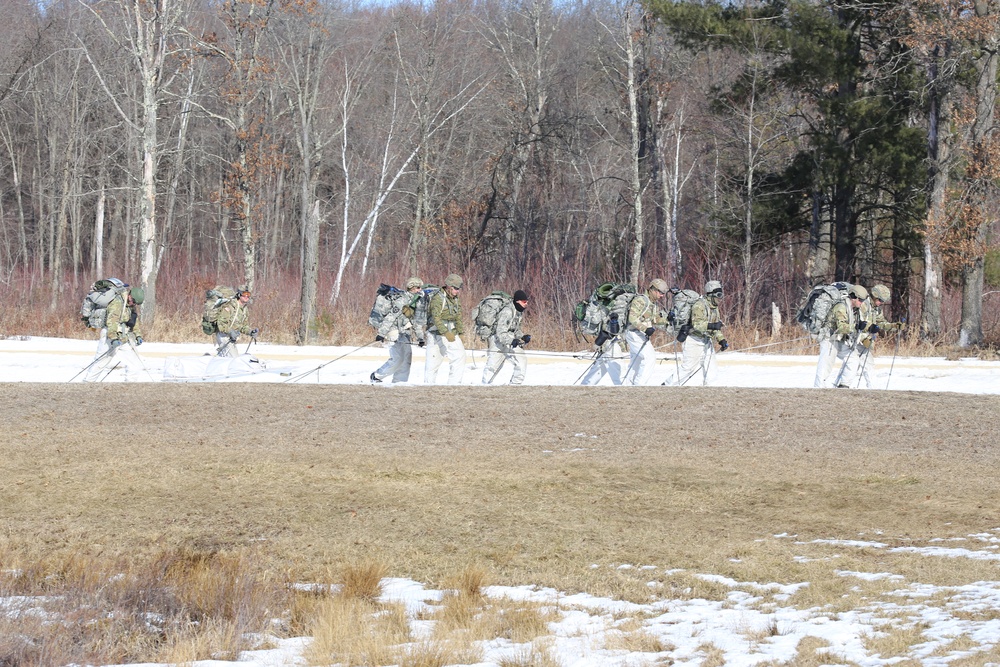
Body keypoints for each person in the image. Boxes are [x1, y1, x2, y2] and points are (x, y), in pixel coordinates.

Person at [845, 284, 905, 389]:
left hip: (864, 342)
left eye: (883, 301)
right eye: (880, 300)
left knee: (855, 365)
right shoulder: (863, 304)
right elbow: (858, 323)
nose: (881, 303)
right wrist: (864, 338)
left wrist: (894, 326)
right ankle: (870, 388)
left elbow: (881, 322)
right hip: (857, 340)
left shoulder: (876, 309)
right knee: (863, 365)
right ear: (875, 296)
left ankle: (842, 385)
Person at [670, 280, 728, 386]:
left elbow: (716, 325)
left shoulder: (714, 308)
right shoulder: (699, 305)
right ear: (710, 295)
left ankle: (710, 390)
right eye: (718, 295)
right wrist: (712, 326)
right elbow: (696, 325)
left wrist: (721, 340)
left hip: (706, 340)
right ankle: (668, 385)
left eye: (721, 295)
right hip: (693, 340)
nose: (720, 298)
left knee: (711, 369)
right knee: (688, 368)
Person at [85, 286, 146, 382]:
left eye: (135, 303)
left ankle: (129, 387)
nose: (133, 304)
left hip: (123, 337)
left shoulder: (130, 306)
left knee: (134, 364)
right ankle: (87, 383)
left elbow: (134, 320)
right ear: (130, 295)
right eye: (133, 301)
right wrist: (113, 338)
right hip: (110, 336)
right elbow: (111, 321)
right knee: (101, 362)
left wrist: (138, 335)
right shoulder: (117, 303)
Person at [370, 277, 424, 383]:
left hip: (405, 331)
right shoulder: (402, 300)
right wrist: (382, 333)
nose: (420, 289)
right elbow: (391, 316)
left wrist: (420, 337)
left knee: (407, 358)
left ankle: (400, 382)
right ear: (412, 287)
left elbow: (416, 320)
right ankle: (376, 376)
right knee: (398, 358)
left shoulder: (416, 300)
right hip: (393, 330)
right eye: (418, 287)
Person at [814, 284, 866, 388]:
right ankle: (818, 389)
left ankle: (843, 386)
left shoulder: (853, 310)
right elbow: (841, 327)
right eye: (860, 300)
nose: (861, 302)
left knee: (853, 359)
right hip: (829, 338)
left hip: (840, 339)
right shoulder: (841, 307)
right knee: (826, 365)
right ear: (854, 297)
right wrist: (856, 326)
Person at [624, 278, 671, 385]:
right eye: (660, 292)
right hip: (634, 333)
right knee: (649, 358)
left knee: (637, 361)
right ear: (653, 290)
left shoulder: (652, 303)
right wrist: (645, 328)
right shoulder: (641, 300)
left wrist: (668, 320)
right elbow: (632, 318)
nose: (662, 295)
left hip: (639, 334)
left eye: (663, 293)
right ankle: (640, 386)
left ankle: (629, 385)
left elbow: (654, 319)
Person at [424, 273, 466, 384]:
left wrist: (461, 332)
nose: (458, 291)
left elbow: (458, 316)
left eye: (459, 289)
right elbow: (435, 318)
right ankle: (428, 389)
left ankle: (454, 385)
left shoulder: (455, 299)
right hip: (436, 334)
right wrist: (445, 332)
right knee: (432, 364)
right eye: (456, 289)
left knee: (459, 356)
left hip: (451, 332)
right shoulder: (438, 298)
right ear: (449, 287)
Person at [482, 289, 531, 385]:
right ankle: (485, 387)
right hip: (497, 341)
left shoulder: (518, 312)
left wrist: (522, 337)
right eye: (524, 302)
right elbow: (500, 332)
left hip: (509, 340)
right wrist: (511, 340)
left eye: (527, 302)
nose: (526, 304)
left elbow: (514, 329)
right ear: (517, 301)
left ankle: (515, 386)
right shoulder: (507, 311)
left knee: (521, 361)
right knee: (493, 366)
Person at [580, 312, 625, 386]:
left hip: (604, 344)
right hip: (609, 344)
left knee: (595, 373)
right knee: (620, 375)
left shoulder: (602, 307)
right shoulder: (612, 307)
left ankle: (584, 388)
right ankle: (626, 391)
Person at [215, 286, 258, 357]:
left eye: (248, 294)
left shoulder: (244, 309)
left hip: (232, 338)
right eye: (244, 294)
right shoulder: (230, 306)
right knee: (233, 359)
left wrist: (250, 332)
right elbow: (221, 324)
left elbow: (243, 326)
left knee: (226, 359)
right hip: (223, 335)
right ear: (239, 295)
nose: (246, 296)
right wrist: (230, 331)